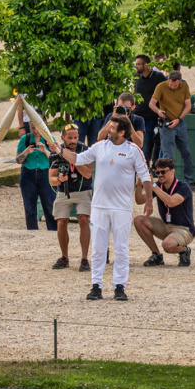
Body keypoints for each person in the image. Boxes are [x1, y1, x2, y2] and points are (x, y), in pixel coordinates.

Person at [53, 114, 152, 301]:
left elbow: (145, 176)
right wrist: (60, 150)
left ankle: (119, 286)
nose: (108, 129)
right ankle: (96, 286)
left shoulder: (133, 151)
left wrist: (149, 201)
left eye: (112, 128)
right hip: (99, 206)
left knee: (121, 248)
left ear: (121, 132)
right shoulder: (99, 147)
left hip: (122, 208)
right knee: (98, 247)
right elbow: (78, 159)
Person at [133, 157, 195, 268]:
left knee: (167, 246)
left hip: (184, 229)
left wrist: (153, 186)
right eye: (158, 172)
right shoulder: (159, 186)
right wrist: (139, 184)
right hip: (166, 226)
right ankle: (156, 255)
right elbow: (139, 200)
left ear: (172, 171)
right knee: (139, 220)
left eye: (163, 172)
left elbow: (171, 202)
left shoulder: (183, 187)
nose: (160, 175)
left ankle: (184, 250)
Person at [49, 123, 93, 271]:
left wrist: (73, 159)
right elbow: (51, 178)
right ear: (63, 138)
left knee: (83, 219)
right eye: (70, 138)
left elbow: (88, 173)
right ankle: (64, 257)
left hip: (83, 190)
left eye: (75, 137)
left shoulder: (85, 150)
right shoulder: (55, 153)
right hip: (64, 191)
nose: (73, 141)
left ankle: (84, 258)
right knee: (61, 222)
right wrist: (59, 179)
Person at [149, 71, 195, 190]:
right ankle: (167, 183)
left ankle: (189, 180)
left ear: (179, 81)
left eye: (175, 85)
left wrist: (179, 120)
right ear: (168, 80)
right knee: (167, 156)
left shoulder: (184, 86)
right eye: (171, 84)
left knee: (186, 152)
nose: (173, 87)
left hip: (179, 123)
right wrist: (158, 111)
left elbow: (188, 105)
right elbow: (151, 104)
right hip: (167, 124)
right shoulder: (161, 86)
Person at [15, 123, 57, 231]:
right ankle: (33, 232)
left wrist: (45, 150)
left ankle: (53, 232)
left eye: (38, 128)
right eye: (33, 128)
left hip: (45, 174)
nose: (36, 131)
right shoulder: (25, 139)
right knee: (30, 209)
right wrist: (26, 151)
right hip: (28, 174)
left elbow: (55, 159)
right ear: (30, 127)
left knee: (49, 206)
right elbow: (18, 160)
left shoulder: (49, 139)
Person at [134, 54, 167, 165]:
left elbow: (165, 94)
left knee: (146, 145)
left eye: (138, 64)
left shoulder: (158, 77)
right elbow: (134, 92)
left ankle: (146, 170)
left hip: (151, 117)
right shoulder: (136, 76)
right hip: (137, 116)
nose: (136, 66)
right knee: (136, 145)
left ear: (145, 65)